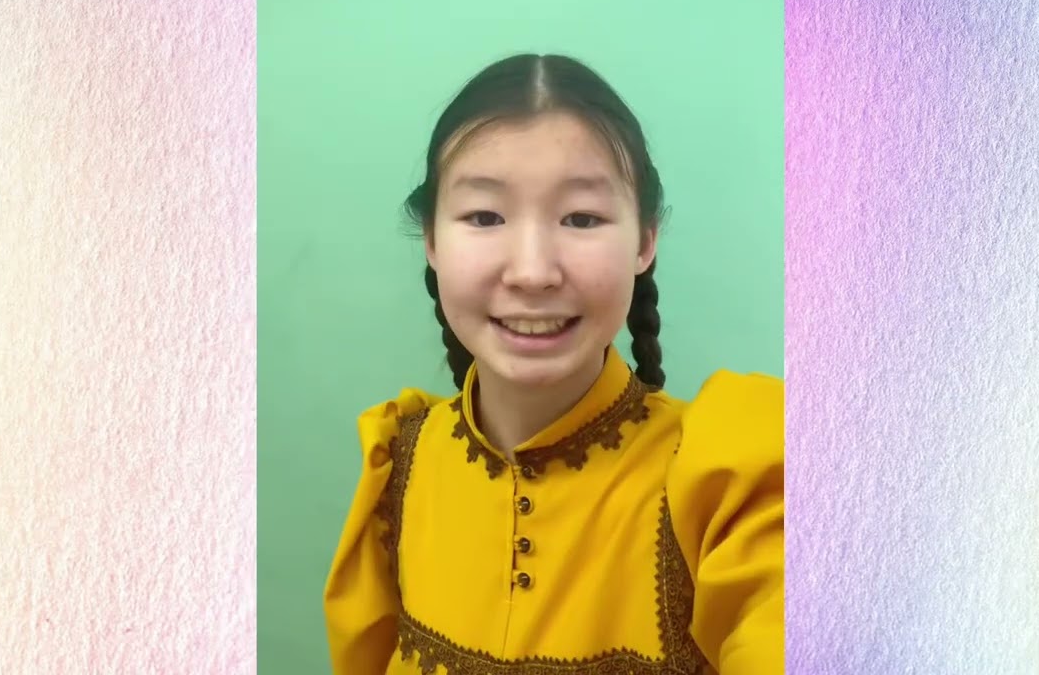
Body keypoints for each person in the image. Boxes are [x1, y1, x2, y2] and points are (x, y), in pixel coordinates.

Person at [323, 53, 783, 674]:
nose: (533, 271)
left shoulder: (731, 491)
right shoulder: (396, 469)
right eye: (485, 217)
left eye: (581, 218)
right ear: (431, 240)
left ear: (645, 241)